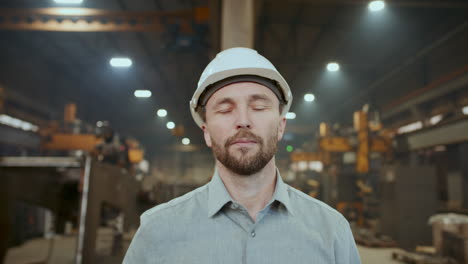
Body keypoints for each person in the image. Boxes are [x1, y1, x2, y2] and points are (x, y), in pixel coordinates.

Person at [123, 47, 361, 263]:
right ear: (206, 132)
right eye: (225, 109)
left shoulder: (332, 231)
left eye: (258, 107)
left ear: (280, 126)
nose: (243, 121)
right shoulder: (157, 231)